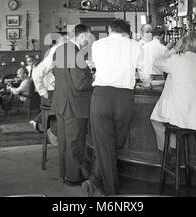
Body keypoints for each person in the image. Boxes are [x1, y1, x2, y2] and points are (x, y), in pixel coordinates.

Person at [82, 19, 151, 196]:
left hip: (101, 97)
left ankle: (99, 184)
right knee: (115, 145)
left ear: (110, 30)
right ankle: (106, 188)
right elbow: (144, 74)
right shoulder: (136, 46)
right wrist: (146, 83)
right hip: (124, 99)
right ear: (127, 32)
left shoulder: (97, 45)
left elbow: (94, 66)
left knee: (106, 147)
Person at [150, 32, 196, 151]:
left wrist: (174, 49)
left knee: (157, 121)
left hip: (177, 116)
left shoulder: (176, 59)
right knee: (172, 123)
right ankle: (174, 151)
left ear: (183, 44)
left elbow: (157, 63)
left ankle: (169, 154)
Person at [51, 24, 94, 186]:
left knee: (64, 141)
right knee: (75, 142)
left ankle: (65, 174)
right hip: (75, 104)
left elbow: (57, 73)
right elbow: (80, 83)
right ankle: (74, 177)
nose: (87, 41)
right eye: (87, 38)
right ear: (81, 36)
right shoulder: (75, 53)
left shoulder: (59, 50)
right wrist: (94, 80)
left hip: (61, 102)